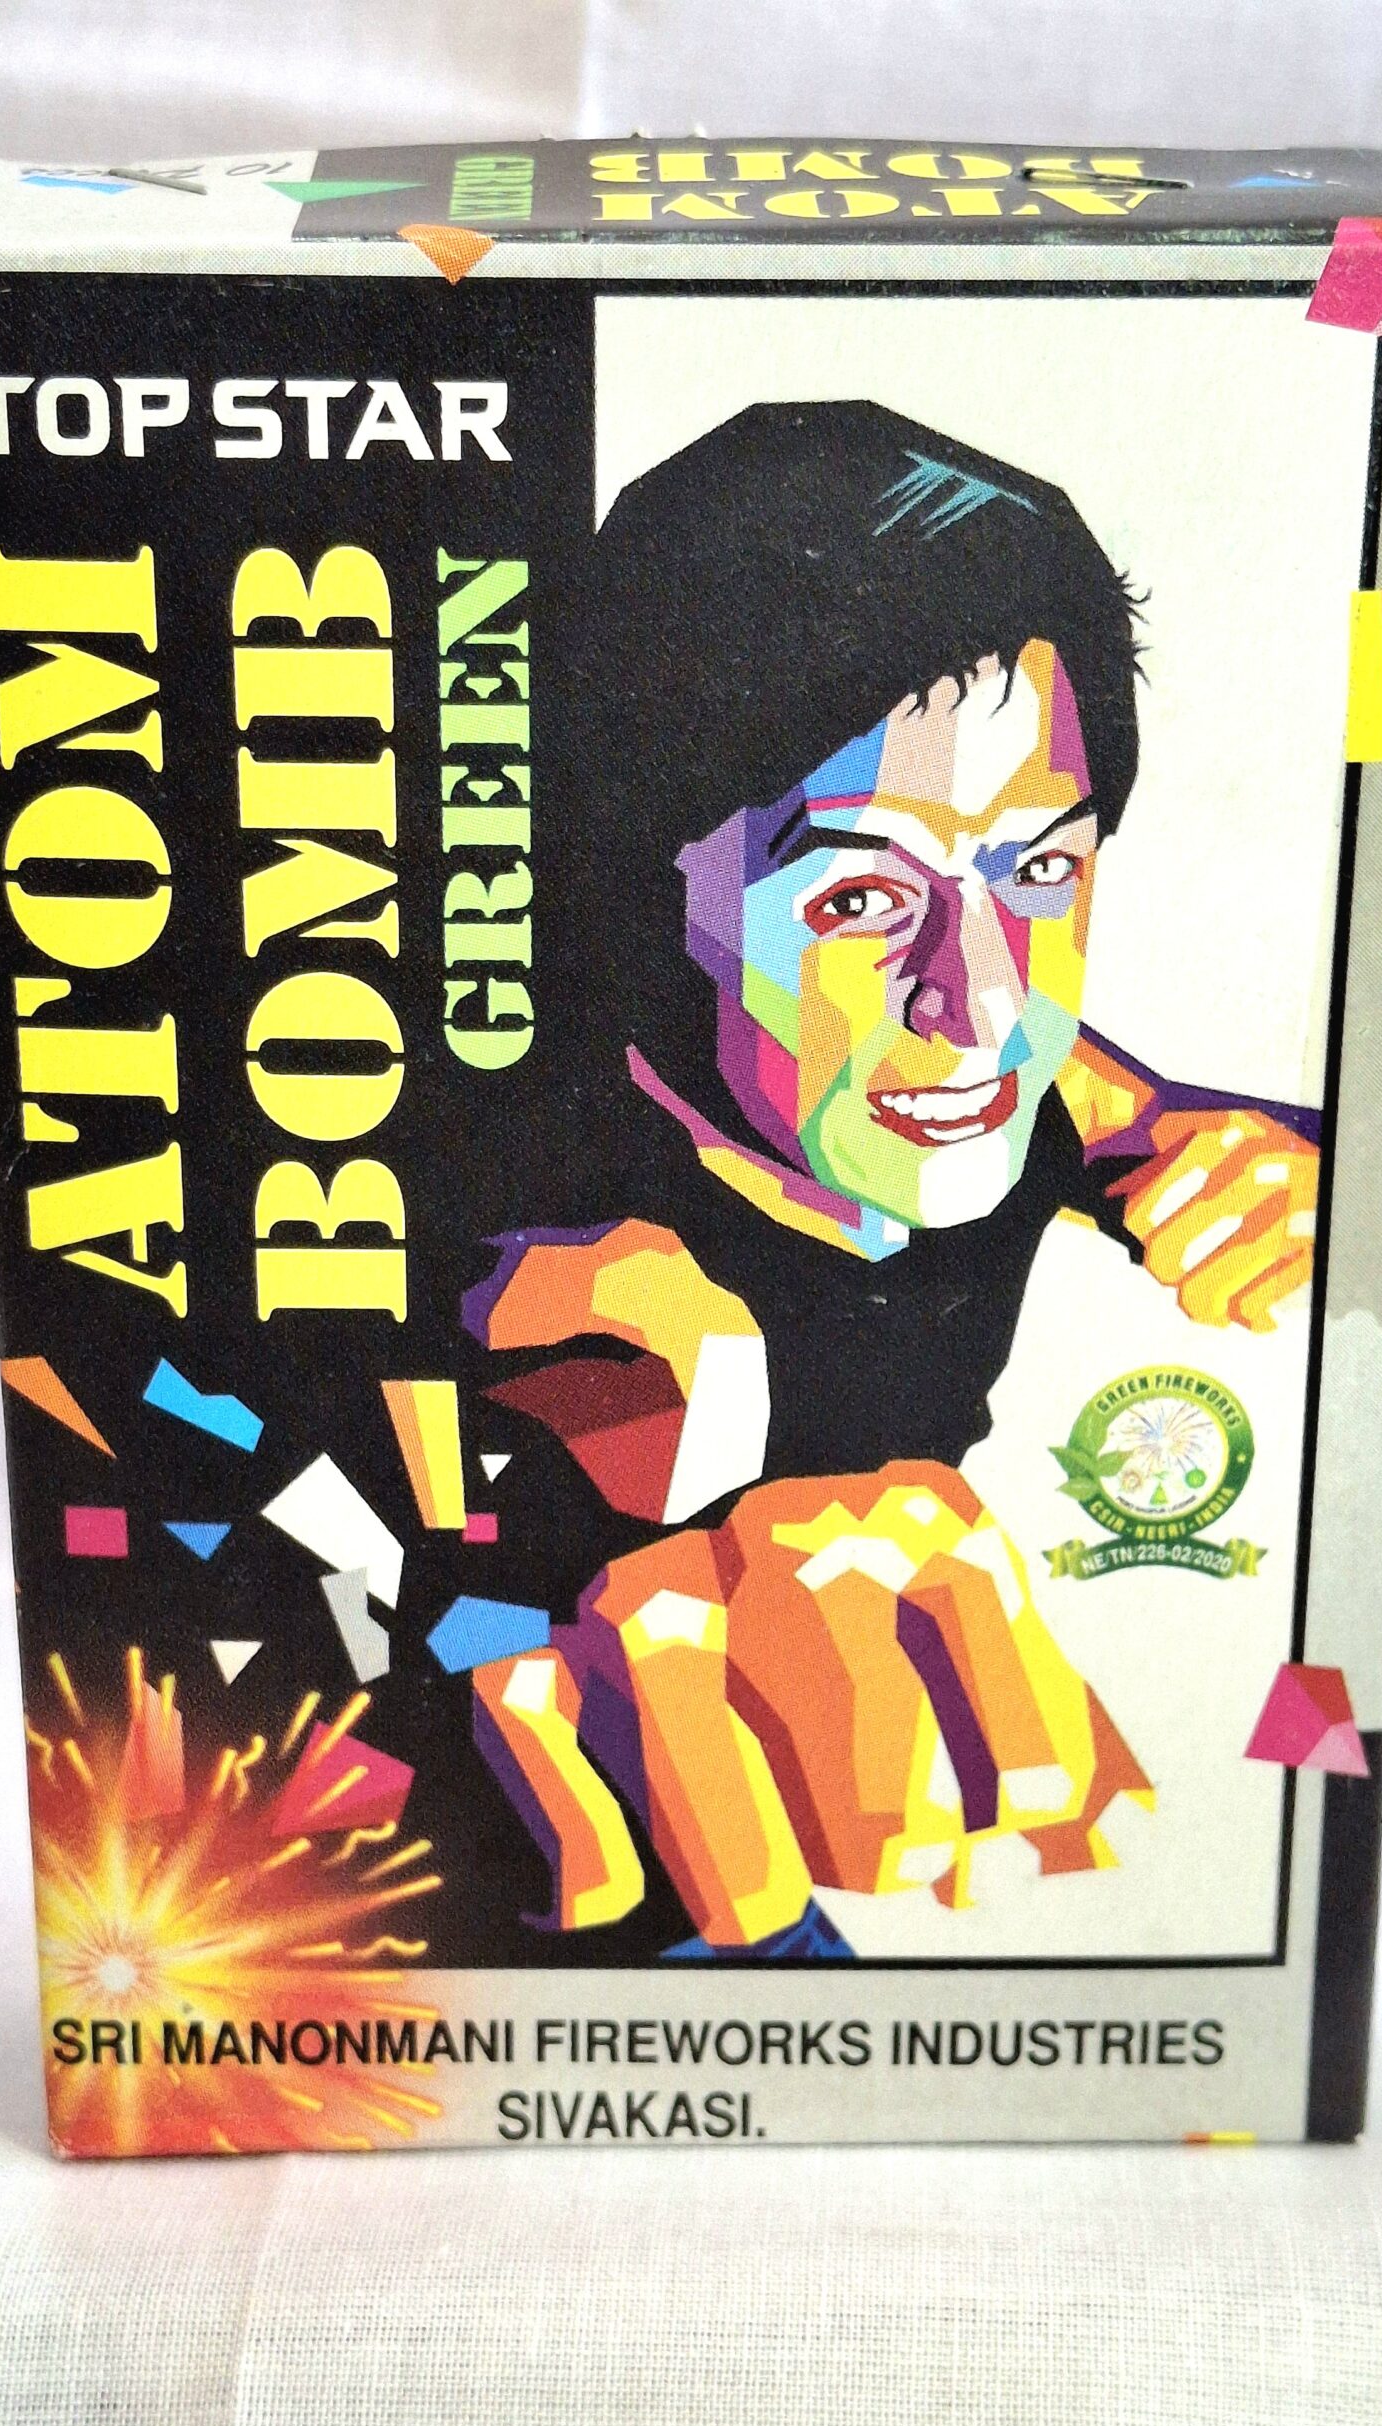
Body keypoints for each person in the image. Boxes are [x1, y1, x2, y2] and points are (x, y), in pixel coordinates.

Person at [457, 401, 1318, 1960]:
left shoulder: (1006, 1072)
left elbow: (1132, 1108)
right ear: (640, 888)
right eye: (856, 897)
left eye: (1038, 869)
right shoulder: (535, 1192)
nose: (977, 1002)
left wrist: (1288, 1172)